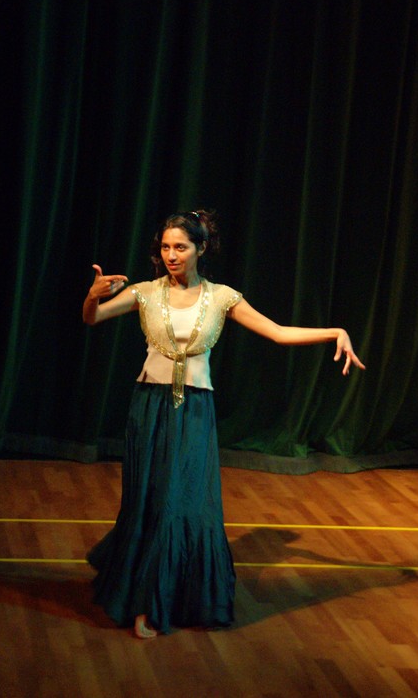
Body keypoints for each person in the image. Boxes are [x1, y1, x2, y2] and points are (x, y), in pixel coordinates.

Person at [82, 210, 365, 639]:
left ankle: (169, 600)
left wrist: (334, 332)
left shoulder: (221, 298)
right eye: (165, 247)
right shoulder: (145, 292)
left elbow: (277, 332)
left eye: (181, 247)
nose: (171, 255)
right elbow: (92, 318)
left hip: (195, 412)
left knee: (182, 504)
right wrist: (92, 296)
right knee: (150, 503)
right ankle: (144, 600)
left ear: (201, 249)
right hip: (150, 408)